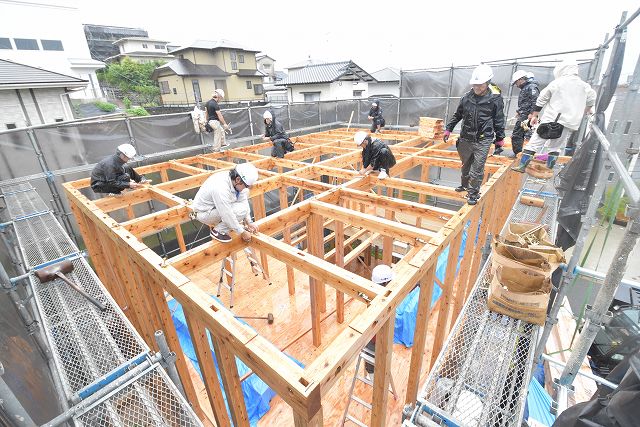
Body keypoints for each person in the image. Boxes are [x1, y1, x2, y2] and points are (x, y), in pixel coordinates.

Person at [512, 59, 596, 172]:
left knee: (534, 143)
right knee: (556, 146)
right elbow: (591, 100)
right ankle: (549, 168)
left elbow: (542, 98)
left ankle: (522, 166)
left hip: (551, 120)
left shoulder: (559, 82)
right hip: (568, 122)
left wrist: (534, 115)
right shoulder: (584, 86)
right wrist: (584, 111)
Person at [443, 64, 505, 205]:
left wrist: (500, 138)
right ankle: (464, 185)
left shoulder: (495, 99)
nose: (477, 88)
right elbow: (457, 114)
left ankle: (473, 194)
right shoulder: (466, 98)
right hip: (466, 137)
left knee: (477, 168)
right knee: (466, 165)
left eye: (480, 85)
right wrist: (449, 129)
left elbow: (499, 119)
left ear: (487, 83)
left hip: (484, 138)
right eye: (475, 85)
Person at [191, 163, 260, 243]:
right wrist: (242, 232)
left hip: (214, 209)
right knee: (240, 210)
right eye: (245, 186)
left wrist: (249, 222)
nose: (245, 188)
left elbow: (243, 201)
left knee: (244, 197)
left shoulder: (234, 181)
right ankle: (218, 231)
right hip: (203, 213)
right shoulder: (220, 187)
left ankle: (229, 226)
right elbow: (226, 214)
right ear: (238, 180)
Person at [363, 264, 394, 380]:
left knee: (373, 353)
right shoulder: (379, 299)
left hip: (373, 334)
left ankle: (373, 373)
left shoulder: (374, 291)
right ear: (385, 283)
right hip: (374, 337)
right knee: (372, 355)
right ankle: (373, 376)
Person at [506, 70, 539, 157]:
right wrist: (518, 111)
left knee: (517, 134)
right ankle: (519, 153)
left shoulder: (531, 87)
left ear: (520, 79)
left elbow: (535, 101)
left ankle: (518, 153)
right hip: (524, 114)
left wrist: (532, 114)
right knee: (521, 133)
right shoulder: (526, 87)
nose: (516, 85)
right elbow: (525, 102)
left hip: (527, 115)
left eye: (516, 82)